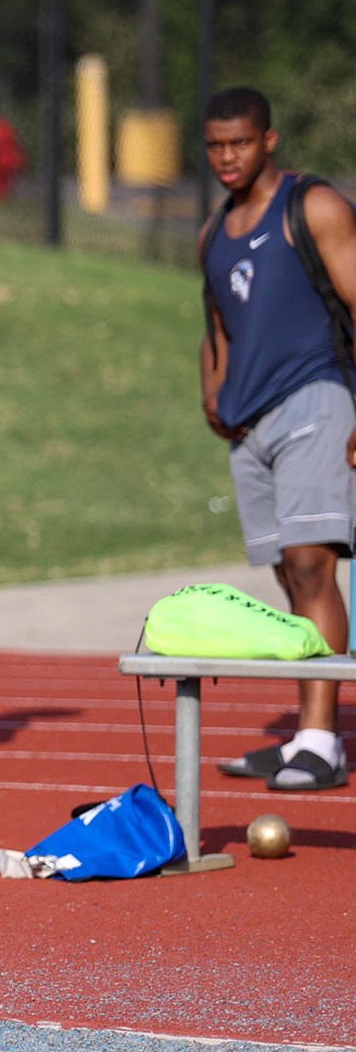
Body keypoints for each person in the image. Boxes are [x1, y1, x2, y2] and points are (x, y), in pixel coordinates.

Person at [199, 86, 356, 792]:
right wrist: (214, 390)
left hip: (317, 400)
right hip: (250, 425)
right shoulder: (212, 232)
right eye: (214, 145)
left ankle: (321, 742)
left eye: (239, 142)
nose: (226, 157)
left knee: (312, 563)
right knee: (288, 578)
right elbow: (218, 323)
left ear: (269, 140)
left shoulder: (313, 205)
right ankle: (305, 736)